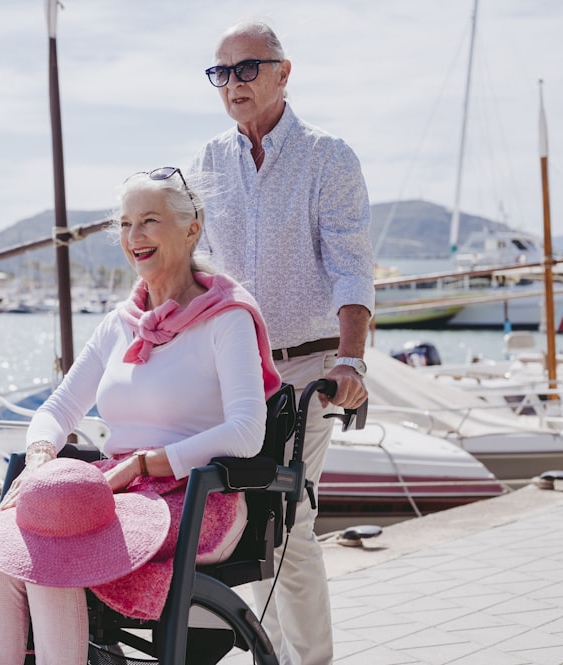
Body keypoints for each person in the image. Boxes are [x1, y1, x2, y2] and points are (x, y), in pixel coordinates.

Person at [0, 166, 283, 665]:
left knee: (57, 547)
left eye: (149, 221)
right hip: (117, 495)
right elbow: (57, 408)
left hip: (196, 497)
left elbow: (248, 433)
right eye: (125, 224)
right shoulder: (119, 324)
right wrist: (39, 460)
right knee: (4, 549)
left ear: (192, 228)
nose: (134, 237)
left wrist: (144, 464)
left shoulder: (226, 317)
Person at [191, 20, 375, 665]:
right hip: (232, 370)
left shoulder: (329, 156)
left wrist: (351, 361)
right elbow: (200, 269)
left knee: (288, 525)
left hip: (311, 368)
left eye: (247, 69)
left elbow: (351, 265)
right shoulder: (210, 161)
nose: (233, 84)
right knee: (230, 522)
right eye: (221, 72)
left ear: (283, 72)